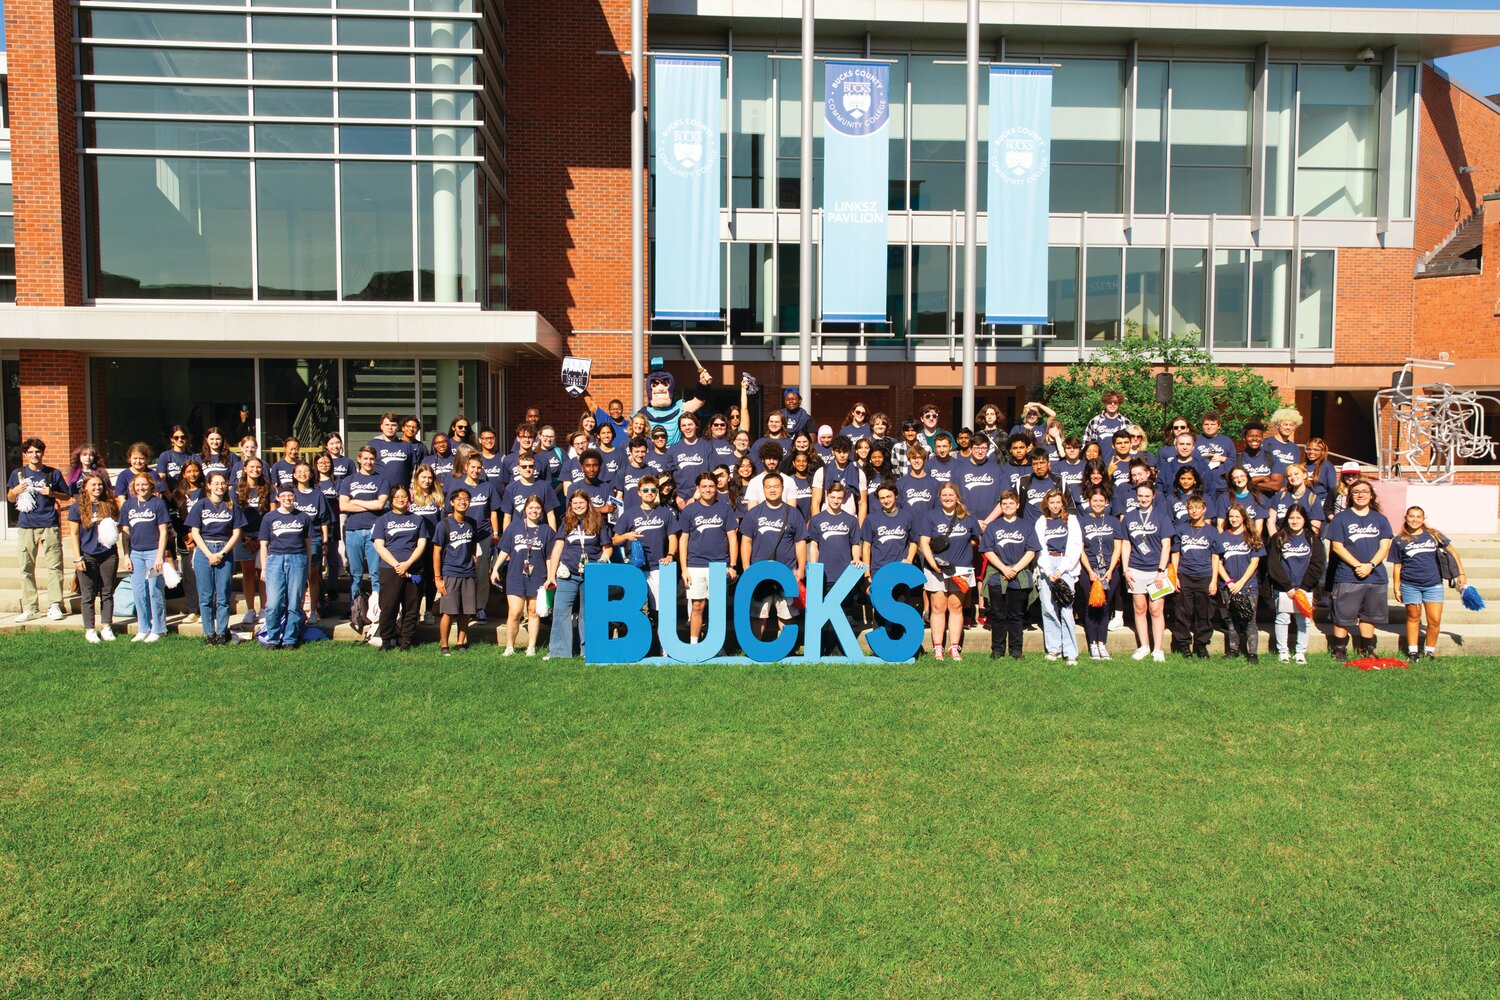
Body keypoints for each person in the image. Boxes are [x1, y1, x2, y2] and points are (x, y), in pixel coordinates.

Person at [1323, 479, 1392, 661]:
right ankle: (1339, 650)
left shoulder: (1380, 519)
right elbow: (1337, 547)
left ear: (1371, 495)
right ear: (1350, 496)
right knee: (1343, 616)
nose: (1361, 495)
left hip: (1375, 576)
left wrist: (1370, 566)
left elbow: (1385, 546)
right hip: (1347, 575)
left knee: (1369, 615)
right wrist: (1357, 565)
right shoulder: (1341, 518)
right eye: (1356, 492)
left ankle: (1366, 649)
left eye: (1365, 491)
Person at [739, 474, 808, 644]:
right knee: (758, 614)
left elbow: (800, 542)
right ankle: (755, 649)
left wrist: (800, 568)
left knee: (786, 614)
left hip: (787, 571)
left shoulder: (793, 514)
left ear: (782, 489)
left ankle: (784, 649)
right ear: (763, 489)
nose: (772, 489)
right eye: (768, 486)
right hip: (759, 572)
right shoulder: (753, 513)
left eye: (776, 486)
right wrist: (747, 568)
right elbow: (746, 541)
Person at [546, 489, 614, 660]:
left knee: (588, 612)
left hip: (592, 573)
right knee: (561, 609)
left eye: (581, 503)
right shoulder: (566, 521)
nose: (578, 506)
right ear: (570, 505)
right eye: (574, 503)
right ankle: (559, 652)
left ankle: (588, 651)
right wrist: (551, 575)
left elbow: (607, 548)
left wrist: (603, 559)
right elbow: (557, 548)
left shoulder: (599, 521)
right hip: (568, 572)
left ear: (587, 503)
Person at [8, 436, 70, 623]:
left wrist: (52, 493)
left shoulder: (53, 473)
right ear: (25, 454)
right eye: (31, 452)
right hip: (26, 525)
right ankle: (30, 608)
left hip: (49, 524)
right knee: (26, 567)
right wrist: (16, 491)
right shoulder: (18, 473)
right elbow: (10, 498)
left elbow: (66, 496)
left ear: (42, 453)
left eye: (38, 451)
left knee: (54, 566)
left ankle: (54, 605)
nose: (35, 455)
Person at [1391, 506, 1466, 660]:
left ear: (1424, 519)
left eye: (1419, 516)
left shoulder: (1434, 535)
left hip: (1433, 584)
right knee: (1413, 616)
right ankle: (1412, 652)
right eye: (1411, 516)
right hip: (1410, 585)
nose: (1415, 519)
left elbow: (1453, 552)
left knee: (1434, 620)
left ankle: (1429, 651)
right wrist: (1396, 587)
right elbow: (1397, 566)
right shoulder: (1399, 540)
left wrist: (1461, 573)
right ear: (1405, 518)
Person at [919, 482, 980, 661]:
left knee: (956, 607)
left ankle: (954, 647)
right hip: (935, 567)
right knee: (938, 608)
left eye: (951, 495)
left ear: (957, 497)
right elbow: (924, 542)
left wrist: (961, 550)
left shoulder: (967, 517)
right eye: (944, 495)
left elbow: (976, 540)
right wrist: (934, 564)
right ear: (940, 497)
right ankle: (938, 648)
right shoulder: (930, 516)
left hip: (961, 569)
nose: (947, 498)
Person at [676, 472, 739, 647]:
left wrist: (732, 565)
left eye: (711, 486)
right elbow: (683, 540)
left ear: (716, 488)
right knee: (697, 605)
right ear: (698, 488)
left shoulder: (725, 508)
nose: (708, 489)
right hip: (695, 565)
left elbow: (733, 538)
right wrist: (684, 569)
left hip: (719, 565)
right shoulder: (689, 510)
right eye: (704, 486)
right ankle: (694, 644)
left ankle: (716, 646)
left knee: (718, 608)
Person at [185, 470, 245, 646]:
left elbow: (236, 533)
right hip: (205, 551)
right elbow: (194, 532)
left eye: (223, 483)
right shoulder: (200, 505)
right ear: (209, 485)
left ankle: (221, 632)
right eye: (216, 483)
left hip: (224, 550)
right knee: (205, 595)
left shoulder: (232, 506)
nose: (220, 486)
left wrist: (221, 554)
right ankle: (209, 633)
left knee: (223, 595)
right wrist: (209, 554)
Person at [493, 494, 555, 655]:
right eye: (531, 508)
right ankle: (510, 646)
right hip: (516, 574)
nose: (534, 511)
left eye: (537, 508)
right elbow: (504, 550)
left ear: (541, 510)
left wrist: (550, 576)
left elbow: (550, 556)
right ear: (525, 509)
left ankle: (531, 647)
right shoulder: (514, 527)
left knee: (534, 611)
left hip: (538, 575)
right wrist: (495, 569)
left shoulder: (547, 530)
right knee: (515, 612)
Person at [372, 483, 431, 652]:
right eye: (396, 497)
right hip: (390, 570)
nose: (400, 499)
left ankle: (406, 641)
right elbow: (379, 545)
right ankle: (386, 641)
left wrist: (407, 564)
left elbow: (421, 545)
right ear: (391, 500)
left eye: (403, 496)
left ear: (409, 498)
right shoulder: (383, 520)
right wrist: (397, 565)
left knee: (411, 607)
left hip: (414, 570)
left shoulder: (418, 519)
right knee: (388, 606)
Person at [979, 490, 1037, 660]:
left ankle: (1016, 650)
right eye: (1004, 504)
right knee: (997, 614)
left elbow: (1031, 551)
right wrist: (1004, 569)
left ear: (1018, 505)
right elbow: (988, 551)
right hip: (997, 574)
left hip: (1018, 576)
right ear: (1001, 506)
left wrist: (1016, 569)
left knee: (1016, 615)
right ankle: (997, 650)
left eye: (1011, 503)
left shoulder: (1026, 526)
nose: (1008, 506)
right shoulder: (993, 527)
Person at [1122, 481, 1175, 662]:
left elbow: (1166, 545)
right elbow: (1126, 544)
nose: (1143, 499)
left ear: (1153, 496)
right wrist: (1125, 569)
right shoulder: (1129, 517)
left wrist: (1161, 571)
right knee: (1139, 608)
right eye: (1140, 496)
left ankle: (1158, 649)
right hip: (1136, 568)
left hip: (1156, 570)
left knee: (1156, 609)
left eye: (1147, 496)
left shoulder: (1162, 517)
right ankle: (1144, 646)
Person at [612, 473, 676, 623]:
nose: (650, 493)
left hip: (658, 567)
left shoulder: (665, 513)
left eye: (653, 490)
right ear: (639, 492)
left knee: (660, 610)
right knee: (635, 609)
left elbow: (673, 538)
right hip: (636, 567)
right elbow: (615, 540)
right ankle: (638, 644)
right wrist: (626, 536)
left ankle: (663, 646)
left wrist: (670, 555)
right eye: (646, 490)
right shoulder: (629, 514)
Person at [258, 485, 315, 649]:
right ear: (278, 497)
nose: (287, 498)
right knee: (273, 603)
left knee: (294, 603)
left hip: (298, 559)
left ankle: (290, 639)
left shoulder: (303, 517)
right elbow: (263, 545)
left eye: (290, 495)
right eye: (284, 496)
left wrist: (308, 566)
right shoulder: (269, 517)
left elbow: (308, 544)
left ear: (294, 497)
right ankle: (273, 638)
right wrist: (263, 568)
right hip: (275, 560)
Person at [1266, 505, 1324, 664]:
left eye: (1298, 518)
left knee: (1303, 620)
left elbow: (1318, 564)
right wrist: (1287, 587)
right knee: (1282, 618)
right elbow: (1273, 565)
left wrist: (1304, 587)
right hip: (1284, 588)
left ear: (1305, 519)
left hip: (1305, 588)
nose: (1294, 521)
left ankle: (1300, 652)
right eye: (1291, 518)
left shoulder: (1312, 538)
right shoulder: (1278, 538)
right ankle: (1283, 652)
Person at [70, 472, 122, 643]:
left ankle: (107, 627)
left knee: (107, 592)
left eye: (100, 484)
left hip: (108, 555)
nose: (97, 487)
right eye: (93, 485)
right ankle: (90, 629)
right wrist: (78, 558)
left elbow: (118, 527)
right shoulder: (77, 506)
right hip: (87, 555)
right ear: (85, 487)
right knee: (88, 595)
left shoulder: (109, 504)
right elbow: (74, 533)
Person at [338, 446, 389, 619]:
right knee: (356, 572)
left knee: (375, 572)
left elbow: (380, 505)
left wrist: (356, 500)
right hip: (353, 530)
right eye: (365, 458)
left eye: (371, 459)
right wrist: (369, 503)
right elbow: (343, 506)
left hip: (374, 530)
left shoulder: (381, 479)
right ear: (359, 459)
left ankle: (377, 609)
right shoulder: (349, 480)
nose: (368, 462)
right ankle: (355, 608)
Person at [120, 472, 171, 642]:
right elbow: (125, 532)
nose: (141, 488)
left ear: (151, 485)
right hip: (135, 553)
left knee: (154, 589)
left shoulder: (158, 504)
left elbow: (163, 532)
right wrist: (126, 555)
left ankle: (159, 628)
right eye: (137, 485)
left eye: (144, 484)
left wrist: (159, 556)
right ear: (133, 488)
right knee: (138, 591)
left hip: (153, 553)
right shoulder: (128, 505)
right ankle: (143, 628)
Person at [807, 482, 863, 640]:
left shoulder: (851, 520)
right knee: (823, 613)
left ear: (844, 498)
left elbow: (855, 544)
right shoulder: (817, 519)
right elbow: (814, 545)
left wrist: (857, 558)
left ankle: (839, 648)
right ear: (827, 496)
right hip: (824, 574)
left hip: (844, 573)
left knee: (842, 611)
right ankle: (823, 646)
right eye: (833, 497)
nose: (836, 500)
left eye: (839, 497)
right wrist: (813, 567)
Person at [1034, 488, 1082, 664]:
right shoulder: (1041, 521)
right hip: (1047, 565)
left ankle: (1070, 652)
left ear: (1063, 503)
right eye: (1051, 502)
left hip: (1065, 565)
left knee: (1066, 608)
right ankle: (1054, 648)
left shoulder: (1071, 520)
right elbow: (1039, 548)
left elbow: (1076, 545)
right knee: (1048, 608)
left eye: (1058, 502)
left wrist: (1061, 570)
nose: (1055, 505)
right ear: (1047, 503)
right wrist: (1047, 571)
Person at [1076, 486, 1124, 660]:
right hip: (1089, 571)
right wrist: (1089, 571)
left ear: (1106, 503)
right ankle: (1092, 645)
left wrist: (1111, 570)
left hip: (1109, 572)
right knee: (1091, 607)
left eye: (1101, 501)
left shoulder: (1113, 521)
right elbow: (1080, 549)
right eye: (1094, 501)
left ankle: (1102, 643)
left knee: (1104, 607)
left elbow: (1118, 546)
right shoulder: (1082, 521)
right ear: (1089, 502)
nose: (1098, 504)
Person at [433, 488, 481, 656]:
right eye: (459, 499)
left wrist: (473, 556)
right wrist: (438, 578)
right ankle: (444, 645)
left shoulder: (472, 523)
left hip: (468, 573)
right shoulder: (444, 524)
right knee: (449, 611)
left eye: (466, 499)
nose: (463, 501)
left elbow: (473, 544)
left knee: (465, 611)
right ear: (452, 502)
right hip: (450, 572)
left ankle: (461, 643)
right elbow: (437, 551)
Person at [1170, 494, 1217, 659]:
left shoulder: (1212, 531)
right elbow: (1175, 553)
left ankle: (1201, 645)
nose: (1194, 511)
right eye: (1191, 508)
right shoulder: (1181, 529)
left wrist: (1214, 580)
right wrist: (1174, 576)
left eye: (1198, 507)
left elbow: (1215, 557)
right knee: (1183, 611)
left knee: (1204, 613)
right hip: (1185, 575)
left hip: (1205, 576)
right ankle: (1184, 645)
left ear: (1204, 509)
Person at [1214, 504, 1263, 660]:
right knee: (1231, 619)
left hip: (1248, 585)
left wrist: (1241, 582)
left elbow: (1255, 562)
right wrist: (1229, 582)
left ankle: (1252, 653)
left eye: (1237, 516)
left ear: (1243, 518)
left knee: (1250, 619)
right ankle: (1233, 650)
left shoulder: (1252, 536)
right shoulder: (1221, 537)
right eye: (1231, 516)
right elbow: (1217, 562)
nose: (1234, 519)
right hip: (1228, 586)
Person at [290, 461, 332, 626]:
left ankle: (313, 611)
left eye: (306, 471)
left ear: (311, 474)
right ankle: (297, 610)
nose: (302, 474)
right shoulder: (290, 493)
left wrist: (325, 541)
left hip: (314, 539)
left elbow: (324, 520)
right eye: (299, 471)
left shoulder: (318, 494)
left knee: (312, 576)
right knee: (296, 577)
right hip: (294, 540)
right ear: (294, 475)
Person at [235, 457, 272, 625]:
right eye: (252, 467)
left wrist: (263, 539)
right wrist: (245, 538)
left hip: (263, 538)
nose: (255, 470)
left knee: (263, 575)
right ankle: (250, 610)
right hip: (243, 538)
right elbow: (234, 517)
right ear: (244, 468)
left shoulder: (268, 488)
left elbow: (272, 515)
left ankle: (264, 609)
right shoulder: (235, 490)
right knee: (248, 574)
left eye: (258, 467)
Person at [169, 459, 206, 624]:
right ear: (183, 473)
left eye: (195, 471)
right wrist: (186, 535)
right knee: (189, 576)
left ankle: (205, 609)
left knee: (203, 575)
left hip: (204, 539)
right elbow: (174, 518)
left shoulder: (206, 492)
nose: (192, 474)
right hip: (185, 541)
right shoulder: (177, 494)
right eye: (189, 471)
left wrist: (195, 534)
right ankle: (193, 610)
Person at [811, 436, 868, 520]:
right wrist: (817, 525)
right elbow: (815, 503)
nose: (842, 455)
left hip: (850, 519)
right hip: (826, 520)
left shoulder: (858, 473)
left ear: (849, 452)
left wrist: (860, 529)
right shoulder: (822, 472)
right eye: (839, 451)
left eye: (845, 452)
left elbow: (862, 503)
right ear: (833, 452)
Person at [368, 412, 420, 493]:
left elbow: (414, 469)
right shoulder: (373, 444)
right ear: (381, 426)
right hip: (378, 493)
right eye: (387, 425)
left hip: (401, 495)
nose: (390, 428)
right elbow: (365, 467)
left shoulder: (407, 446)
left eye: (393, 425)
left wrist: (412, 488)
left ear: (398, 427)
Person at [1271, 463, 1325, 534]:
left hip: (1303, 541)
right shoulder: (1279, 496)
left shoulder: (1313, 498)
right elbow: (1270, 522)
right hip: (1280, 539)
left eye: (1296, 474)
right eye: (1289, 476)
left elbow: (1315, 527)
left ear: (1304, 475)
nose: (1293, 477)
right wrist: (1275, 540)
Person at [1195, 411, 1238, 494]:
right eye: (1206, 424)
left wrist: (1222, 458)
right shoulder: (1195, 440)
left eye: (1213, 424)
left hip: (1221, 486)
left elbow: (1234, 461)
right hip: (1200, 486)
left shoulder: (1226, 441)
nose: (1209, 427)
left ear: (1219, 426)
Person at [1238, 422, 1287, 494]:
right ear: (1244, 438)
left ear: (1262, 438)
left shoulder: (1272, 458)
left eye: (1258, 436)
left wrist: (1247, 483)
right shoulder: (1237, 458)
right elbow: (1235, 483)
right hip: (1244, 502)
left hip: (1267, 503)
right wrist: (1263, 478)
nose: (1254, 438)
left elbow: (1276, 486)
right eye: (1251, 436)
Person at [1222, 466, 1269, 537]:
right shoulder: (1224, 498)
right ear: (1232, 481)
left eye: (1242, 476)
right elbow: (1220, 526)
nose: (1239, 479)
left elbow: (1259, 527)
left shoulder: (1258, 497)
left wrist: (1253, 542)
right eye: (1236, 477)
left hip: (1250, 539)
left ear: (1247, 477)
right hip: (1230, 542)